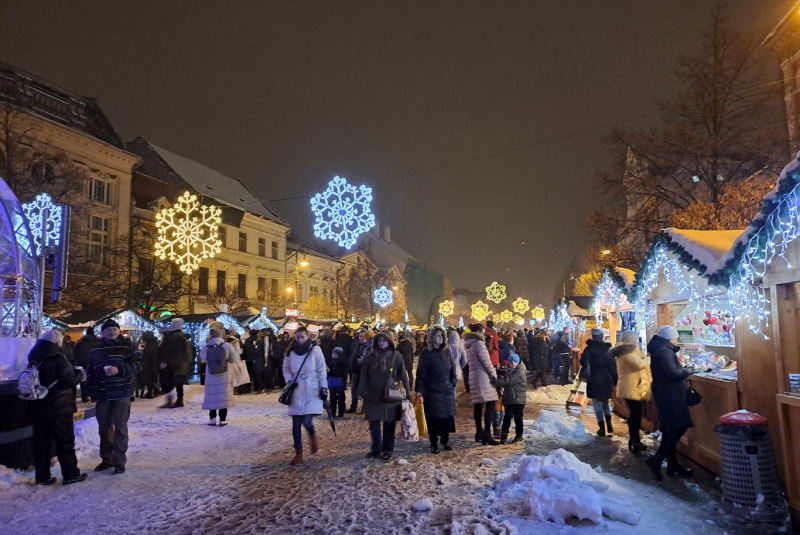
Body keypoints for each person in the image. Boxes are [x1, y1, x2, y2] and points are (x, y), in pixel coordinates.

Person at [26, 330, 87, 485]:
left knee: (41, 443)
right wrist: (80, 374)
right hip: (59, 407)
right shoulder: (59, 359)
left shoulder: (33, 357)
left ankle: (42, 477)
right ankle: (70, 474)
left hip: (38, 406)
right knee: (65, 441)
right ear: (58, 342)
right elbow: (68, 381)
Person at [86, 319, 141, 474]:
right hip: (102, 394)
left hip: (121, 393)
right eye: (108, 329)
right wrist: (90, 387)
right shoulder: (95, 349)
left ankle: (119, 461)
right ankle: (107, 459)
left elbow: (138, 364)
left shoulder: (128, 346)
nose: (112, 332)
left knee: (120, 428)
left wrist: (120, 370)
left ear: (119, 331)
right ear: (102, 332)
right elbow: (90, 370)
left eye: (114, 329)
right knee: (104, 429)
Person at [647, 325, 694, 480]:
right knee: (679, 427)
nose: (677, 340)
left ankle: (672, 465)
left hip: (666, 393)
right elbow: (672, 374)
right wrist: (688, 371)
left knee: (670, 429)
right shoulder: (665, 352)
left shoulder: (660, 350)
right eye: (675, 337)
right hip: (671, 395)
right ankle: (657, 461)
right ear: (671, 338)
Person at [357, 331, 411, 460]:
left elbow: (403, 375)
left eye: (384, 340)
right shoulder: (371, 356)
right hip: (373, 395)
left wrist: (407, 394)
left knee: (389, 424)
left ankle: (387, 450)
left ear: (389, 342)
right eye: (379, 340)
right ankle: (376, 449)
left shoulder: (396, 356)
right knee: (374, 423)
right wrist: (360, 391)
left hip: (391, 396)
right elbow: (364, 375)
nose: (381, 343)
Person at [283, 327, 327, 465]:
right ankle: (298, 453)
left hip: (311, 388)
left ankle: (312, 436)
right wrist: (289, 381)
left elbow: (321, 369)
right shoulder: (290, 351)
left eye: (302, 337)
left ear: (308, 336)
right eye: (298, 337)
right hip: (296, 388)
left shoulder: (315, 350)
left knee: (307, 421)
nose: (300, 340)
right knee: (296, 423)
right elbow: (286, 368)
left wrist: (324, 386)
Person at [415, 326, 457, 454]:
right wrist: (419, 390)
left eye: (442, 335)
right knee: (432, 418)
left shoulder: (447, 352)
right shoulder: (426, 353)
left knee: (446, 418)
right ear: (431, 337)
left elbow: (452, 370)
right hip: (432, 390)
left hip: (446, 391)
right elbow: (420, 373)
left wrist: (452, 382)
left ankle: (445, 439)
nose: (440, 338)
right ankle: (433, 442)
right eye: (438, 335)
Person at [611, 330, 651, 451]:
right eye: (635, 338)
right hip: (631, 387)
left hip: (632, 386)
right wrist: (649, 359)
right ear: (629, 340)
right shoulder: (627, 351)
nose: (637, 341)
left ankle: (634, 439)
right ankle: (635, 440)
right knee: (636, 414)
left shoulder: (629, 350)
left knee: (635, 414)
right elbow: (638, 364)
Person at [464, 324, 499, 446]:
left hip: (473, 376)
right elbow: (486, 361)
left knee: (478, 405)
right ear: (478, 332)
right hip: (483, 377)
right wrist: (493, 375)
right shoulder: (479, 343)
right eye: (483, 332)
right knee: (490, 403)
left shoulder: (468, 343)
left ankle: (479, 431)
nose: (484, 335)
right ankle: (487, 434)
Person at [580, 329, 617, 437]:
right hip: (606, 379)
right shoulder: (608, 350)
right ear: (602, 337)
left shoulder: (588, 349)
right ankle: (609, 423)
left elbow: (582, 362)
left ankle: (601, 428)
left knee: (597, 404)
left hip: (593, 379)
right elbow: (612, 367)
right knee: (605, 401)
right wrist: (615, 380)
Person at [201, 328, 237, 426]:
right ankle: (222, 419)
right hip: (224, 374)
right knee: (223, 396)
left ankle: (212, 418)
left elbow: (203, 358)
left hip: (211, 374)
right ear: (220, 335)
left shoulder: (206, 347)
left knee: (212, 396)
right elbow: (234, 359)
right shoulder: (227, 346)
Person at [157, 318, 190, 408]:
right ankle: (178, 400)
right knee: (178, 383)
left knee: (168, 382)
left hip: (172, 364)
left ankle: (171, 400)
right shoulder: (181, 336)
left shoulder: (174, 337)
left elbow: (169, 351)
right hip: (178, 363)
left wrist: (165, 361)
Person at [496, 354, 527, 444]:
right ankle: (504, 435)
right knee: (507, 417)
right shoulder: (510, 370)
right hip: (510, 398)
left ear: (518, 362)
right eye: (510, 362)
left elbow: (509, 381)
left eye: (514, 361)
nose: (512, 363)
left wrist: (495, 381)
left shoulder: (520, 371)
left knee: (518, 418)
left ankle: (519, 435)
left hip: (518, 399)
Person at [72, 326, 98, 402]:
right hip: (94, 362)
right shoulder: (98, 342)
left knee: (83, 379)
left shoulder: (80, 342)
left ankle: (85, 395)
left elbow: (75, 352)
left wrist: (76, 362)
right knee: (94, 378)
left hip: (82, 363)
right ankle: (93, 394)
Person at [346, 330, 369, 413]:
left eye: (363, 336)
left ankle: (365, 408)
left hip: (363, 373)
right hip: (355, 372)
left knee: (364, 391)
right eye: (360, 336)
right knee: (354, 390)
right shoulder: (357, 345)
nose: (361, 338)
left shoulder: (368, 348)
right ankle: (353, 407)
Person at [137, 331, 159, 399]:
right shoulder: (154, 344)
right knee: (150, 380)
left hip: (149, 365)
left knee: (148, 379)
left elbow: (148, 356)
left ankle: (152, 392)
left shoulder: (150, 346)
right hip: (152, 365)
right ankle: (152, 391)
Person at [327, 347, 348, 418]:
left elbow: (340, 373)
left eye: (335, 353)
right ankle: (332, 413)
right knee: (332, 398)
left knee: (340, 398)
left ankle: (341, 413)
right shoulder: (330, 362)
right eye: (333, 353)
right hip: (332, 382)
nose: (333, 354)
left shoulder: (342, 363)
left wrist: (330, 371)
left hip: (339, 382)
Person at [447, 330, 467, 394]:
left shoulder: (447, 347)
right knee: (454, 390)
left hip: (447, 370)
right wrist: (460, 366)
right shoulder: (460, 347)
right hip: (457, 369)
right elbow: (464, 360)